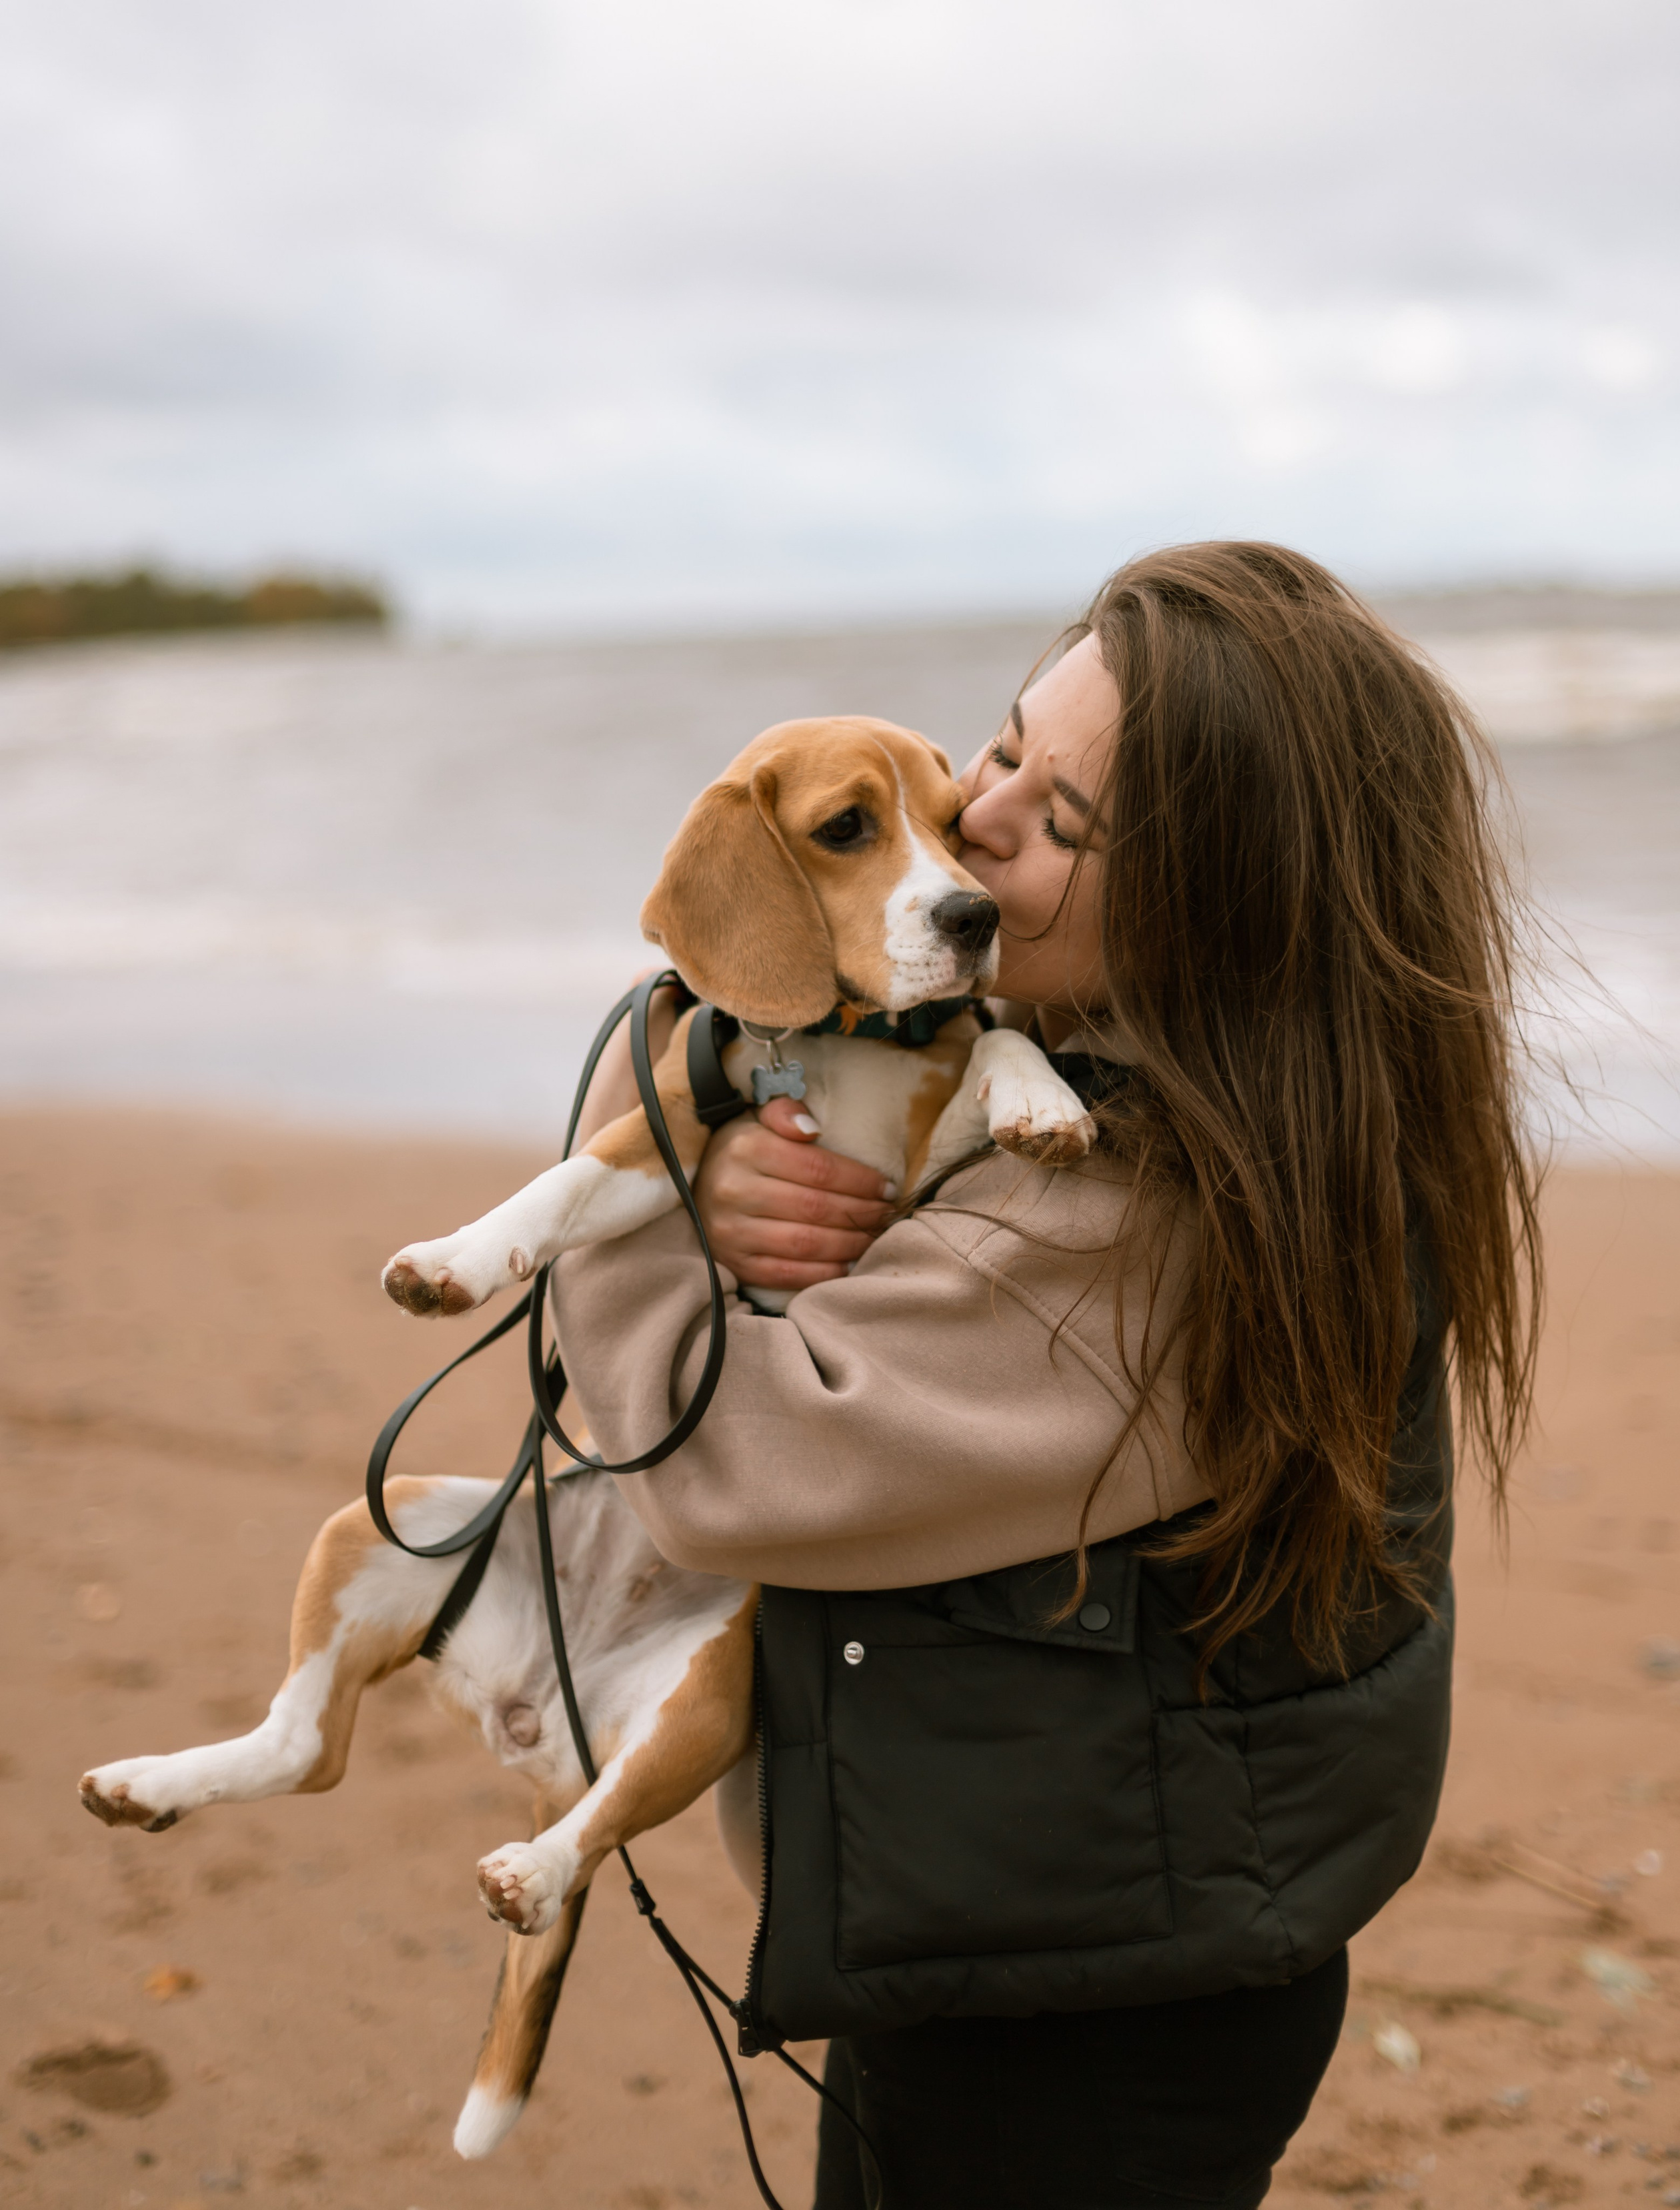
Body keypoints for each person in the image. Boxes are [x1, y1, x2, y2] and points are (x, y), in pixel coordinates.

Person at [555, 542, 1542, 2209]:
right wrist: (726, 1130)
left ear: (1222, 912)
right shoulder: (1222, 1113)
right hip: (1067, 1915)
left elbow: (725, 1463)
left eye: (1062, 821)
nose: (979, 821)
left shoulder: (1143, 1230)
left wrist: (635, 1197)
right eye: (1001, 749)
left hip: (1079, 2003)